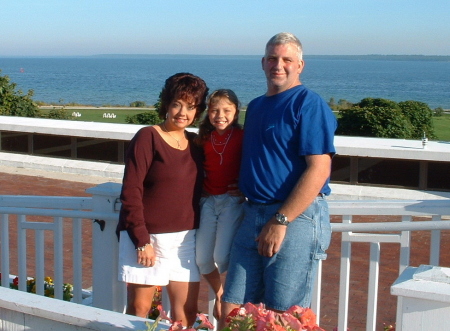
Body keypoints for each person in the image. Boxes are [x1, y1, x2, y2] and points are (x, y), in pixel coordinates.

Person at [219, 32, 337, 328]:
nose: (278, 65)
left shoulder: (308, 104)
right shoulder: (257, 106)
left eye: (287, 59)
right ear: (263, 63)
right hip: (252, 212)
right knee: (233, 307)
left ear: (300, 65)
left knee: (284, 315)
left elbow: (319, 169)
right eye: (272, 58)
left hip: (293, 217)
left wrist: (281, 220)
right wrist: (244, 181)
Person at [116, 72, 209, 327]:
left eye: (191, 107)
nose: (183, 112)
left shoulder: (195, 143)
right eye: (177, 104)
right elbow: (131, 189)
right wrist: (141, 240)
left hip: (185, 241)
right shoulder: (148, 136)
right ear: (167, 104)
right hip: (148, 237)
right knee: (139, 310)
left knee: (186, 313)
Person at [194, 89, 244, 321]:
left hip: (231, 201)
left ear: (236, 111)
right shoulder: (202, 138)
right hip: (208, 201)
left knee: (222, 256)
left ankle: (239, 295)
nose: (220, 115)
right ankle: (221, 293)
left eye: (226, 110)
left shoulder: (243, 137)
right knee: (203, 259)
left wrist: (245, 187)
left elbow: (255, 163)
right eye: (214, 110)